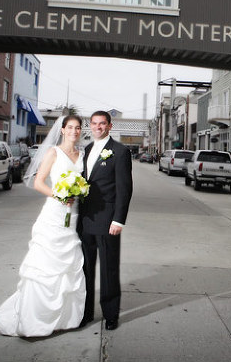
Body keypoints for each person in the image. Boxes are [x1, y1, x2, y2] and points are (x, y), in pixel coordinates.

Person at [0, 115, 86, 337]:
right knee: (45, 265)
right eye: (70, 127)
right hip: (55, 213)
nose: (74, 131)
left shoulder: (81, 154)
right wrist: (59, 195)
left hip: (73, 216)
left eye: (78, 128)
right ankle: (34, 319)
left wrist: (79, 191)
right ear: (63, 130)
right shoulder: (53, 152)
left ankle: (63, 318)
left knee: (68, 266)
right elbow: (37, 182)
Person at [80, 110, 133, 331]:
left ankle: (111, 315)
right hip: (85, 220)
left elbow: (125, 189)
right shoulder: (88, 149)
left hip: (107, 221)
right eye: (94, 123)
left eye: (102, 124)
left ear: (110, 126)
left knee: (109, 269)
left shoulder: (120, 152)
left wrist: (118, 220)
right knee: (85, 270)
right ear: (90, 126)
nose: (98, 127)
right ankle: (86, 312)